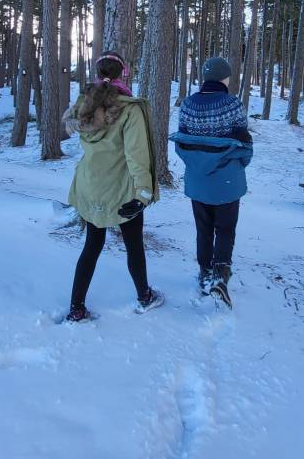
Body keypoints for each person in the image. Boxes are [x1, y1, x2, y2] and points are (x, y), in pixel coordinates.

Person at [63, 51, 164, 321]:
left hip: (91, 185)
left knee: (92, 245)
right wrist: (143, 193)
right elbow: (137, 155)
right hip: (122, 191)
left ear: (98, 74)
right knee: (133, 245)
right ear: (123, 73)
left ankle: (76, 308)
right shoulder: (129, 109)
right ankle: (145, 295)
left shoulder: (84, 104)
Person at [170, 56, 253, 306]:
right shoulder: (232, 105)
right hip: (227, 182)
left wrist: (197, 165)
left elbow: (183, 142)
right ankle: (220, 276)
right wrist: (237, 166)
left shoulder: (188, 105)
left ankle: (204, 272)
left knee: (203, 229)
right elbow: (245, 144)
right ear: (224, 78)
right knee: (225, 229)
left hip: (197, 181)